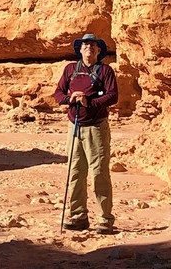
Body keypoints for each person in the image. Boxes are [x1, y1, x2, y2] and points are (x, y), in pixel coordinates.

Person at [53, 32, 119, 234]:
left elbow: (113, 96)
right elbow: (58, 94)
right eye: (85, 44)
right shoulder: (71, 69)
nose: (89, 47)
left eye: (93, 45)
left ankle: (105, 219)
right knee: (75, 172)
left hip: (96, 127)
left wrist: (89, 102)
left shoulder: (105, 70)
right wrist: (70, 98)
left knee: (99, 172)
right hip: (74, 126)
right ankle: (78, 216)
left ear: (98, 50)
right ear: (80, 49)